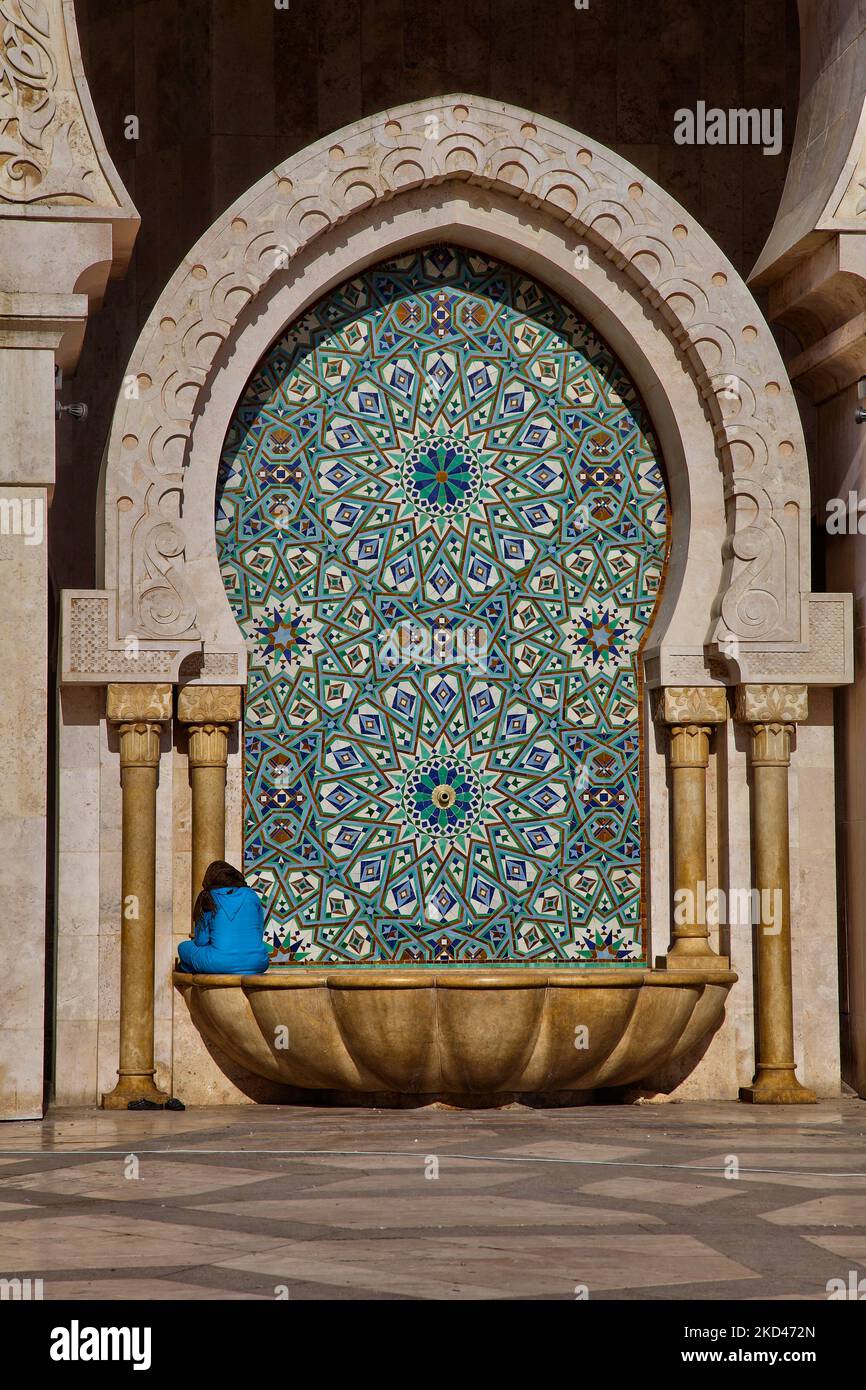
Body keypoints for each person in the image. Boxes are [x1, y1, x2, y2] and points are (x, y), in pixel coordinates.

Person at [177, 861, 270, 975]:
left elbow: (201, 941)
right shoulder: (252, 895)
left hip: (220, 963)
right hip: (258, 962)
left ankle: (187, 968)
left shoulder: (208, 897)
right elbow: (259, 933)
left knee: (183, 947)